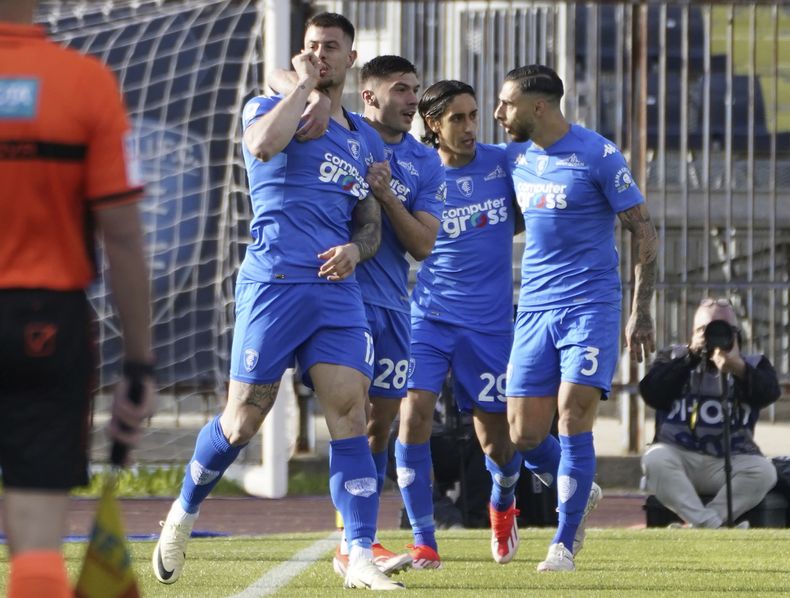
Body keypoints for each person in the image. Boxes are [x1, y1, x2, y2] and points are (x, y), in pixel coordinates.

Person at [151, 13, 405, 592]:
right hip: (273, 283)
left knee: (350, 411)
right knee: (242, 422)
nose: (321, 54)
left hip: (336, 293)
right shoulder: (269, 106)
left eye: (332, 48)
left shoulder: (362, 137)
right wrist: (298, 88)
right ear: (299, 55)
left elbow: (369, 224)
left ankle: (359, 554)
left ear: (351, 58)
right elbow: (263, 147)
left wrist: (355, 252)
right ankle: (183, 513)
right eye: (312, 46)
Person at [268, 54, 445, 578]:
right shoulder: (338, 130)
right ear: (369, 96)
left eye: (416, 89)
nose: (414, 99)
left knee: (380, 426)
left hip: (394, 305)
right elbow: (278, 78)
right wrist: (314, 93)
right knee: (351, 416)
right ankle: (353, 544)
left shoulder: (425, 162)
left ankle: (357, 540)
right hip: (339, 298)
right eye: (401, 90)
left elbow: (422, 245)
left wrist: (387, 193)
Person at [0, 1, 156, 596]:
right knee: (36, 543)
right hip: (47, 323)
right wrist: (138, 364)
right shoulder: (83, 83)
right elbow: (122, 236)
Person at [494, 64, 658, 572]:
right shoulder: (514, 158)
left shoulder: (599, 155)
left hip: (590, 305)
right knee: (522, 434)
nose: (499, 114)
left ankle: (563, 542)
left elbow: (644, 232)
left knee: (573, 413)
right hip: (535, 308)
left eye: (507, 104)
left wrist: (641, 312)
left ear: (538, 107)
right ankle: (579, 488)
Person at [396, 79, 524, 569]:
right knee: (413, 418)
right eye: (458, 118)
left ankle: (502, 501)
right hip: (428, 318)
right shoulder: (420, 172)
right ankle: (424, 538)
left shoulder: (501, 162)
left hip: (489, 325)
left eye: (474, 116)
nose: (470, 127)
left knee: (495, 438)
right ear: (434, 124)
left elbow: (518, 216)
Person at [639, 297, 780, 528]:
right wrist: (690, 357)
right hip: (679, 457)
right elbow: (652, 393)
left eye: (723, 329)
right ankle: (713, 526)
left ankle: (702, 523)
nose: (713, 336)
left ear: (737, 334)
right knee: (654, 459)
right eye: (704, 329)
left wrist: (738, 368)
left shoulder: (753, 364)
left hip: (729, 461)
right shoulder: (673, 356)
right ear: (693, 332)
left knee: (765, 472)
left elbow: (769, 393)